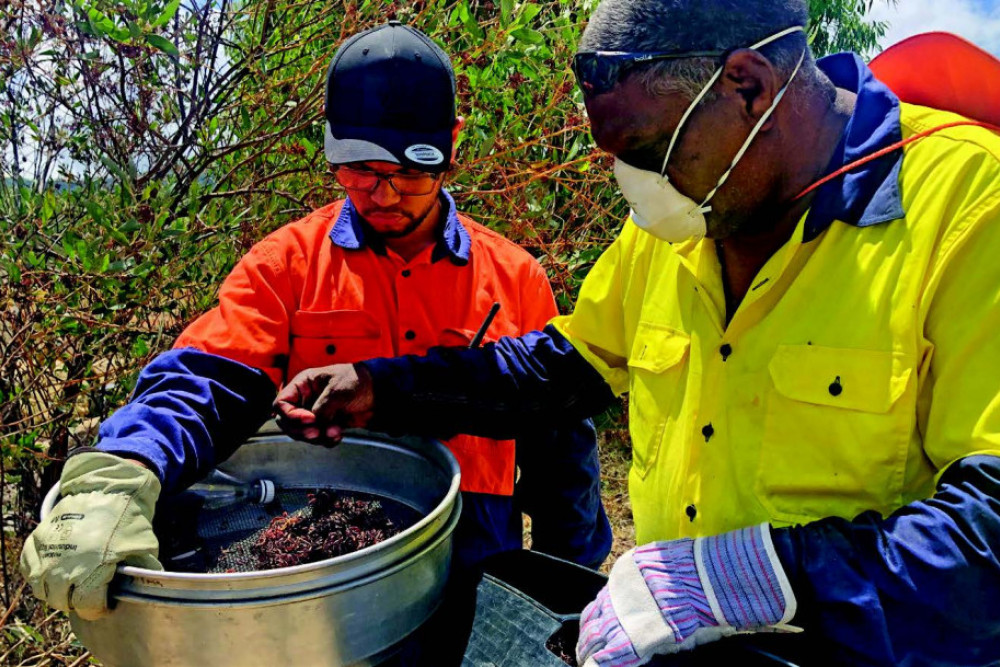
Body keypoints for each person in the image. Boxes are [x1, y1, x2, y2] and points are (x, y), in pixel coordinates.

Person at [271, 2, 1000, 665]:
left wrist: (753, 574)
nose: (633, 185)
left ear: (747, 87)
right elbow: (558, 370)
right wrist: (382, 388)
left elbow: (987, 532)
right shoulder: (681, 212)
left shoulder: (967, 208)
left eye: (645, 151)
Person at [20, 21, 612, 621]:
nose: (383, 195)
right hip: (321, 565)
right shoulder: (288, 265)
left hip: (472, 553)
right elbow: (208, 376)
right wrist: (123, 469)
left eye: (409, 172)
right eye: (359, 169)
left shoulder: (515, 277)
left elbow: (560, 446)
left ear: (452, 146)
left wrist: (572, 579)